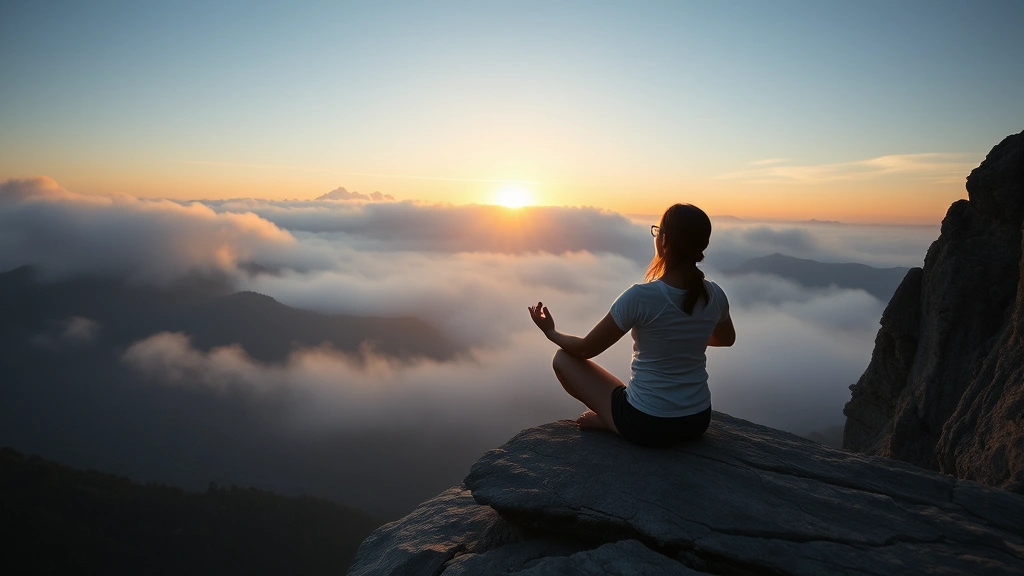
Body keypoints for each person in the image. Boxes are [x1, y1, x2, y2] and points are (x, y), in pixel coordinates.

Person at [528, 203, 735, 447]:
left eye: (658, 231)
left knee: (562, 359)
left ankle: (610, 421)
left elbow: (585, 349)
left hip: (647, 423)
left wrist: (551, 332)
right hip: (697, 420)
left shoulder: (640, 297)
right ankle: (616, 417)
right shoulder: (715, 294)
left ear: (664, 240)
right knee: (631, 392)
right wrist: (687, 337)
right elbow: (726, 339)